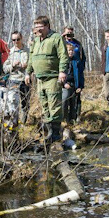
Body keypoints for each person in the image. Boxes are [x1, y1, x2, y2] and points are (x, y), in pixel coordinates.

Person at [25, 15, 68, 143]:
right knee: (45, 106)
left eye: (40, 27)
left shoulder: (56, 38)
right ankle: (49, 132)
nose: (37, 29)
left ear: (47, 26)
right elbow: (31, 58)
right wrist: (28, 73)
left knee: (54, 105)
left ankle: (56, 134)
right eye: (36, 27)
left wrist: (62, 71)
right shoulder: (36, 41)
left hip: (53, 78)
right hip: (40, 79)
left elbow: (63, 56)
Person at [2, 31, 30, 125]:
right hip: (13, 80)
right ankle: (14, 123)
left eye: (18, 39)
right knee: (12, 102)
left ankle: (23, 123)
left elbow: (33, 65)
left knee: (25, 103)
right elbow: (5, 69)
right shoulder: (10, 52)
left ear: (21, 38)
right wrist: (12, 66)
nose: (16, 42)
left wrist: (27, 67)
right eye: (14, 40)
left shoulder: (28, 51)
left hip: (25, 80)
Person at [62, 27, 87, 119]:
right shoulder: (61, 43)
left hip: (76, 71)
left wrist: (81, 67)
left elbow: (83, 57)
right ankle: (65, 119)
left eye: (71, 33)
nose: (69, 35)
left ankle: (75, 118)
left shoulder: (78, 44)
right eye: (67, 33)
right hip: (65, 76)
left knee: (76, 99)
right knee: (65, 99)